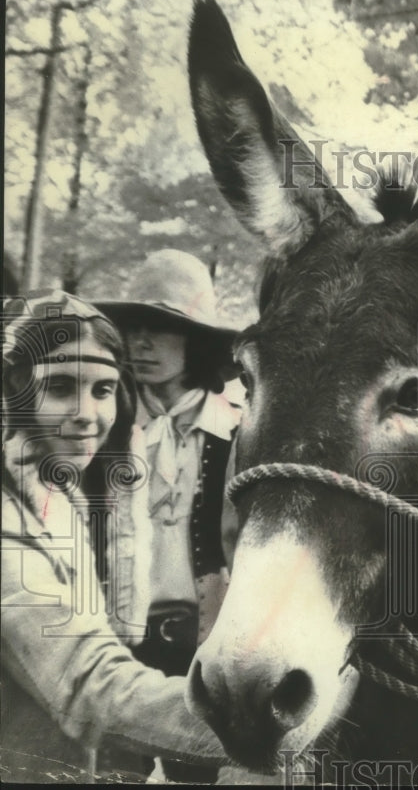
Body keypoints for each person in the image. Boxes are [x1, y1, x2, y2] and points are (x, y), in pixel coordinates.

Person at [1, 290, 227, 782]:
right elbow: (87, 685)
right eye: (60, 386)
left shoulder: (62, 494)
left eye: (103, 389)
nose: (87, 413)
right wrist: (264, 724)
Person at [96, 249, 240, 782]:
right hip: (114, 637)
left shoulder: (239, 430)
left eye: (160, 328)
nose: (141, 343)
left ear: (196, 339)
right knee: (114, 771)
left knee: (196, 768)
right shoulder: (101, 426)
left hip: (209, 638)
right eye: (133, 329)